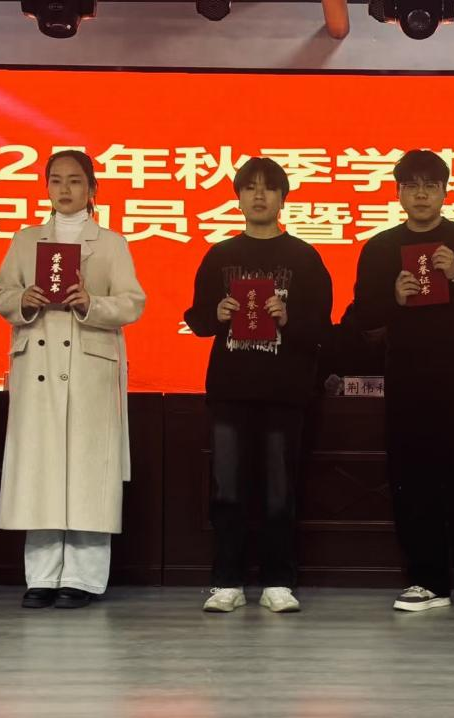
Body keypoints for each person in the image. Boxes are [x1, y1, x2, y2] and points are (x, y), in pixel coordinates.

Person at [350, 149, 454, 615]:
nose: (421, 194)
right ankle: (426, 580)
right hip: (406, 378)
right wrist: (393, 298)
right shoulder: (379, 247)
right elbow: (361, 316)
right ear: (398, 193)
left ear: (444, 191)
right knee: (412, 478)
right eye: (411, 185)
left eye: (430, 185)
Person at [0, 150, 145, 610]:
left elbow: (133, 302)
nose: (64, 189)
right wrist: (24, 299)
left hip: (89, 367)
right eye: (56, 180)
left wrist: (90, 303)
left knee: (87, 472)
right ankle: (41, 576)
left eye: (75, 181)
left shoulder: (110, 243)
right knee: (40, 470)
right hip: (38, 369)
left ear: (92, 188)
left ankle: (82, 577)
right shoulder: (26, 239)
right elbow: (0, 293)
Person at [183, 157, 333, 613]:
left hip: (284, 393)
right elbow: (197, 319)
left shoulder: (304, 258)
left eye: (269, 188)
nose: (259, 196)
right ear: (239, 198)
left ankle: (277, 581)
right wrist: (217, 314)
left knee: (278, 491)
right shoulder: (220, 255)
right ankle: (226, 581)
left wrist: (289, 319)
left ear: (283, 198)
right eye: (250, 188)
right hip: (230, 390)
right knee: (227, 488)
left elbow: (324, 329)